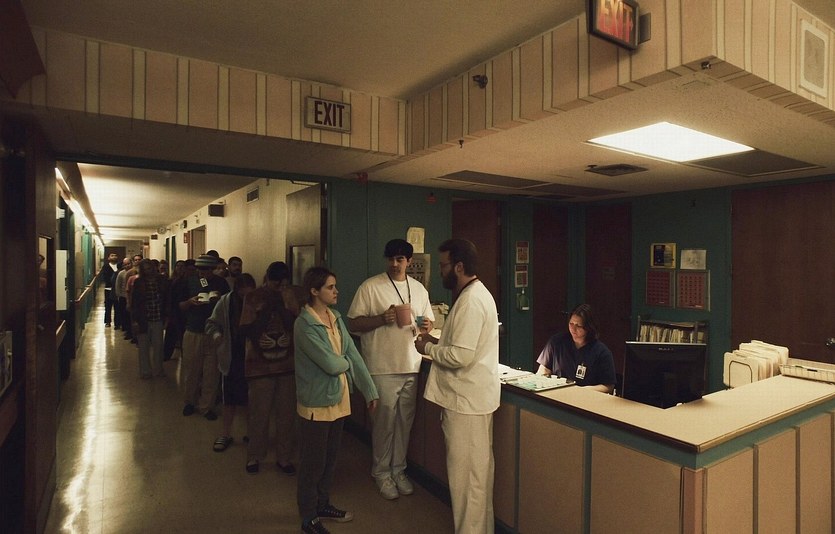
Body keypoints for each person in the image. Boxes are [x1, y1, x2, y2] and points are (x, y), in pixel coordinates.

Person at [414, 238, 499, 534]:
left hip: (467, 405)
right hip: (470, 402)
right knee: (477, 480)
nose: (441, 271)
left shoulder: (472, 301)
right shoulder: (472, 295)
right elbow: (461, 346)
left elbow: (461, 357)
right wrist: (437, 341)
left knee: (467, 484)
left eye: (443, 265)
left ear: (459, 267)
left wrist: (427, 347)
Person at [347, 238, 434, 499]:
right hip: (381, 366)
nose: (395, 264)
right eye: (391, 259)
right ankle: (381, 473)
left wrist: (427, 325)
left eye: (400, 259)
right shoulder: (371, 287)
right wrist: (381, 319)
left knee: (405, 423)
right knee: (383, 424)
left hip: (411, 364)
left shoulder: (418, 289)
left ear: (409, 261)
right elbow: (353, 324)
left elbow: (428, 321)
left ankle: (399, 470)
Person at [294, 267, 379, 534]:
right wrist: (345, 362)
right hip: (316, 404)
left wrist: (370, 390)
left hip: (339, 400)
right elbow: (331, 364)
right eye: (330, 287)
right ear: (314, 291)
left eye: (335, 286)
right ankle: (308, 517)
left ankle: (322, 504)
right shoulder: (304, 324)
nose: (336, 291)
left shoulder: (335, 317)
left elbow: (353, 354)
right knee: (312, 464)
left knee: (330, 461)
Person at [238, 262, 304, 475]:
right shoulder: (253, 297)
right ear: (268, 277)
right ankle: (254, 455)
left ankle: (284, 457)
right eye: (276, 282)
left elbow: (296, 326)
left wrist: (283, 304)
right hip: (259, 367)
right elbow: (247, 330)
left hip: (288, 365)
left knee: (286, 416)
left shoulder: (292, 295)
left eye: (283, 282)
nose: (280, 286)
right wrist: (270, 305)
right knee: (260, 414)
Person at [206, 273, 257, 452]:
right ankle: (225, 433)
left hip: (252, 356)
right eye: (243, 295)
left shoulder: (258, 301)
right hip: (232, 354)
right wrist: (216, 335)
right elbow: (212, 323)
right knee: (229, 399)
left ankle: (252, 433)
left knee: (251, 399)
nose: (246, 298)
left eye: (249, 294)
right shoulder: (226, 302)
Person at [177, 254, 230, 420]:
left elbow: (229, 305)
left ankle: (206, 406)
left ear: (212, 269)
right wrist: (190, 302)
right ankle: (189, 402)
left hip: (213, 332)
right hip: (193, 330)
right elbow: (180, 305)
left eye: (206, 270)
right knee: (191, 370)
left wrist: (219, 300)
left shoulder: (221, 283)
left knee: (211, 372)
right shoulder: (188, 282)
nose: (202, 273)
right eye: (200, 269)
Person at [535, 303, 616, 394]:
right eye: (571, 324)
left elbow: (608, 386)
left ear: (589, 328)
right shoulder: (556, 342)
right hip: (557, 394)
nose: (573, 329)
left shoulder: (601, 352)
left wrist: (579, 391)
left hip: (585, 398)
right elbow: (543, 370)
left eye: (578, 326)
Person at [130, 258, 171, 378]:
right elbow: (135, 302)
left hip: (158, 316)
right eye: (145, 269)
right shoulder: (139, 282)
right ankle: (145, 371)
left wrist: (167, 316)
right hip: (143, 318)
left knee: (158, 346)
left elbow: (167, 299)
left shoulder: (162, 281)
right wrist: (135, 320)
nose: (148, 271)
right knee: (143, 346)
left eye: (149, 268)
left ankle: (158, 370)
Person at [100, 252, 120, 327]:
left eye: (115, 255)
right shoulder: (106, 266)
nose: (114, 257)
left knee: (117, 306)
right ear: (108, 258)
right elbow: (105, 278)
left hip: (117, 289)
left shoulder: (119, 266)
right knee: (108, 306)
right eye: (112, 255)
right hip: (108, 289)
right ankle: (107, 322)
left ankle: (117, 323)